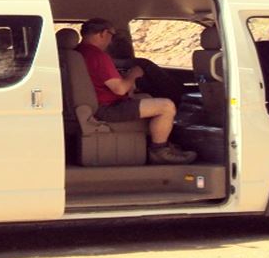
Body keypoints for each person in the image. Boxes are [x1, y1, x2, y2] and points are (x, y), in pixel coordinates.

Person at [75, 18, 196, 165]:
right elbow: (120, 89)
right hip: (107, 109)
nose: (111, 40)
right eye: (112, 35)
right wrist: (133, 74)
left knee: (147, 97)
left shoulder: (78, 53)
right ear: (103, 33)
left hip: (92, 106)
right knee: (166, 106)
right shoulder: (97, 56)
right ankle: (159, 151)